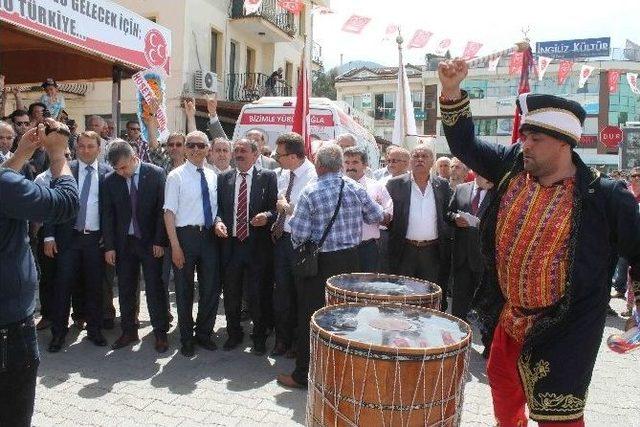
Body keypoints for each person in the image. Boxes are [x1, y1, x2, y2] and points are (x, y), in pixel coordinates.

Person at [438, 58, 640, 426]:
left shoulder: (606, 196)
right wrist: (451, 91)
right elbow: (463, 143)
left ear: (565, 145)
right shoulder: (511, 165)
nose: (524, 144)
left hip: (568, 325)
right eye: (524, 136)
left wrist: (637, 316)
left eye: (535, 139)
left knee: (557, 415)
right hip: (509, 314)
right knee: (502, 385)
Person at [277, 143, 384, 389]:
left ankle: (303, 374)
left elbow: (299, 234)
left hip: (320, 265)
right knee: (346, 318)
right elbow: (376, 215)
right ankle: (342, 375)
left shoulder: (310, 192)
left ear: (319, 165)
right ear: (340, 165)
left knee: (312, 318)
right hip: (351, 261)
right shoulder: (356, 188)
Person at [0, 119, 78, 426]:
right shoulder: (5, 186)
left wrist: (19, 155)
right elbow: (66, 203)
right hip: (7, 328)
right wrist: (59, 154)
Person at [46, 130, 112, 352]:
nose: (85, 150)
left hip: (95, 240)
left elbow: (112, 210)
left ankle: (94, 331)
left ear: (99, 148)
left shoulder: (107, 173)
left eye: (90, 146)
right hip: (68, 239)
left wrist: (109, 239)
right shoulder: (65, 170)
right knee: (63, 286)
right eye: (81, 146)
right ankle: (58, 334)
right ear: (75, 148)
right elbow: (52, 205)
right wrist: (49, 235)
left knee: (95, 287)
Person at [103, 141, 170, 353]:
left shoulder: (156, 173)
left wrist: (160, 241)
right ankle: (129, 331)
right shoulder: (110, 180)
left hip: (151, 243)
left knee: (154, 287)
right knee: (125, 288)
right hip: (125, 244)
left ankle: (160, 331)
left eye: (123, 167)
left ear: (134, 158)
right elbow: (108, 215)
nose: (121, 173)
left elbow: (162, 210)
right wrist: (110, 246)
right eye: (117, 169)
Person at [214, 138, 277, 355]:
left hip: (257, 246)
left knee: (257, 294)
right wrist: (218, 221)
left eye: (243, 151)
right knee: (231, 293)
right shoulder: (224, 178)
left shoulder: (268, 177)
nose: (239, 154)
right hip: (231, 246)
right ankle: (234, 333)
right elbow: (218, 209)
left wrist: (267, 216)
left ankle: (259, 336)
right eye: (236, 150)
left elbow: (275, 209)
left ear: (255, 154)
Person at [164, 130, 220, 357]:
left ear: (208, 149)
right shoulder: (175, 176)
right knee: (184, 290)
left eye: (201, 145)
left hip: (209, 237)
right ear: (185, 149)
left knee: (210, 289)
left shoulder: (213, 175)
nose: (196, 149)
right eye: (192, 145)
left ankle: (204, 334)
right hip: (184, 237)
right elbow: (169, 213)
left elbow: (215, 209)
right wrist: (175, 246)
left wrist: (218, 223)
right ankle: (186, 338)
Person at [386, 144, 452, 310]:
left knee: (429, 296)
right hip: (404, 249)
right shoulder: (395, 185)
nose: (420, 159)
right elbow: (387, 214)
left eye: (425, 156)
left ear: (432, 162)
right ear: (410, 161)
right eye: (416, 156)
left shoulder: (442, 185)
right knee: (402, 294)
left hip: (432, 251)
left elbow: (447, 213)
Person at [270, 132, 317, 357]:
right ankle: (282, 340)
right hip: (282, 240)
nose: (277, 158)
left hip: (302, 243)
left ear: (294, 156)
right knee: (282, 293)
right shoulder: (283, 173)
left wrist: (285, 206)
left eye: (280, 155)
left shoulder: (313, 176)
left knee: (301, 295)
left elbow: (307, 213)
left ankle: (299, 345)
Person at [446, 174, 493, 323]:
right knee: (459, 303)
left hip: (484, 258)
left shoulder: (497, 190)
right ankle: (457, 335)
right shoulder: (461, 189)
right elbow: (448, 213)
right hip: (462, 257)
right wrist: (454, 218)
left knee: (485, 304)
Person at [343, 146, 392, 272]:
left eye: (355, 162)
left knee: (367, 286)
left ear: (365, 165)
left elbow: (388, 215)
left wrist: (375, 210)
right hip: (342, 248)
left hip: (367, 248)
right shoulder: (336, 187)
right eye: (347, 162)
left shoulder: (377, 187)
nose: (350, 166)